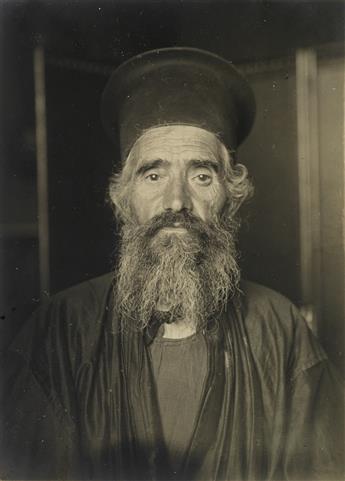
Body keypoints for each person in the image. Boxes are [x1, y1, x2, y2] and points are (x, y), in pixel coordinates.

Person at [0, 47, 343, 481]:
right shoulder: (58, 332)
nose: (176, 201)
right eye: (154, 175)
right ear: (124, 199)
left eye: (201, 176)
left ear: (230, 198)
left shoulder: (280, 329)